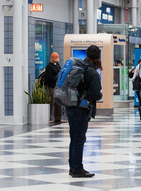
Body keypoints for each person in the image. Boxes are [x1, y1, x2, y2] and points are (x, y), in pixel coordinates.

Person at [68, 45, 102, 178]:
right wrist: (100, 94)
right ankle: (77, 169)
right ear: (98, 57)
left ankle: (73, 167)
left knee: (74, 138)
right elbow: (96, 94)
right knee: (79, 139)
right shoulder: (92, 72)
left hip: (71, 106)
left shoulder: (79, 67)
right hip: (81, 108)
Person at [42, 52, 63, 125]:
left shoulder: (57, 64)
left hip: (57, 86)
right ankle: (49, 118)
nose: (56, 61)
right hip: (51, 86)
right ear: (52, 58)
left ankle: (58, 118)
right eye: (55, 59)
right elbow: (48, 77)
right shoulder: (49, 66)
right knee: (51, 102)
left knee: (58, 102)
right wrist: (55, 77)